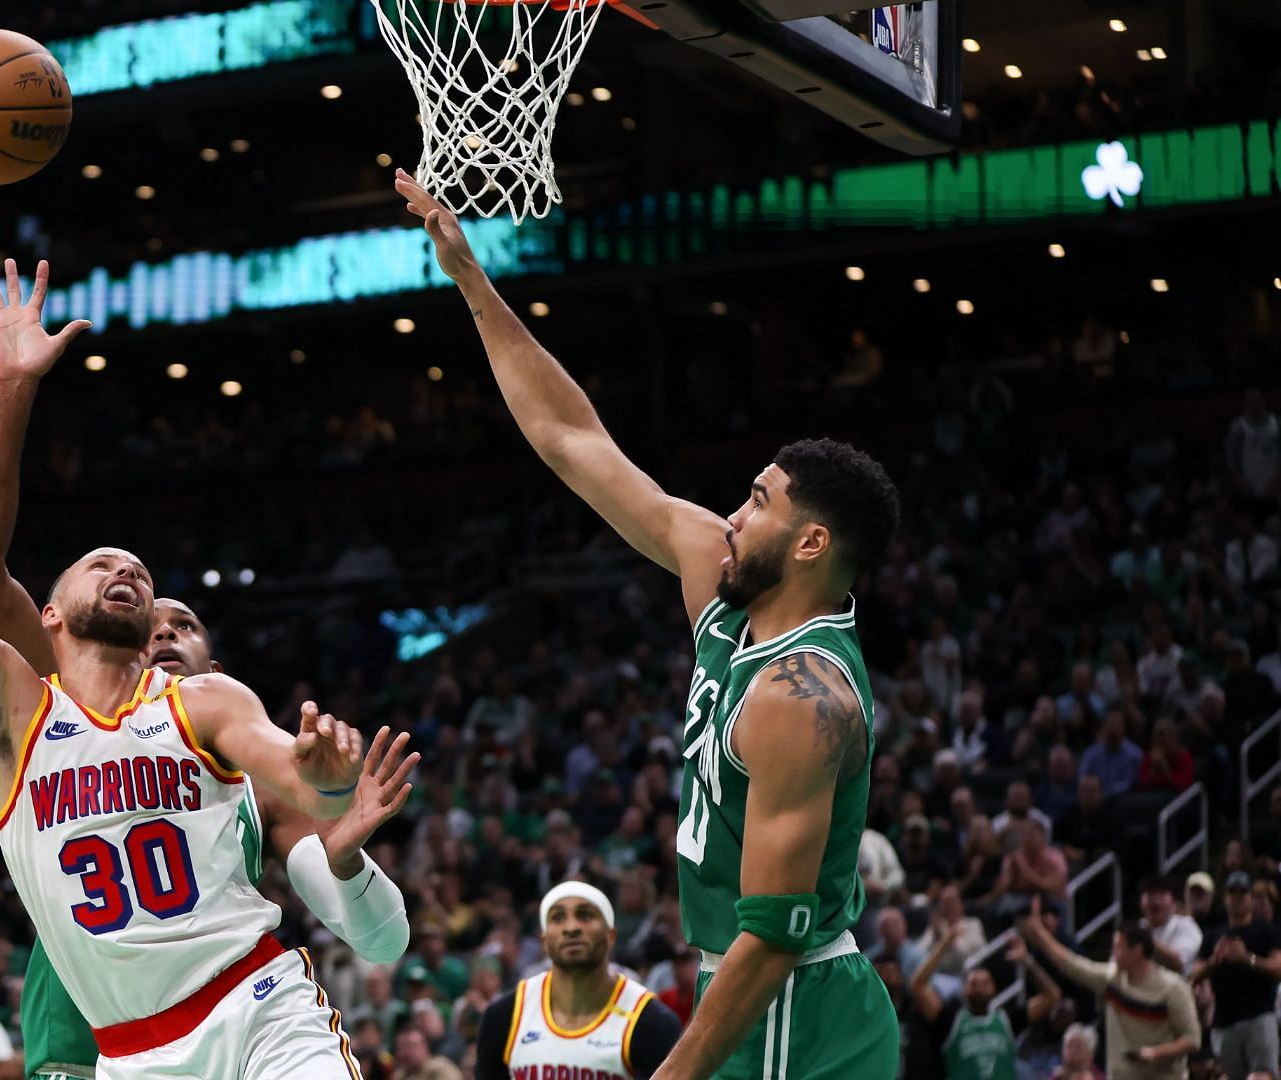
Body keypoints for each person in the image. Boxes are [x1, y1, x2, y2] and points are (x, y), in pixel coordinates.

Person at [395, 169, 900, 1080]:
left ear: (813, 542)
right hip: (745, 992)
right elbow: (574, 440)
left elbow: (775, 937)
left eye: (758, 501)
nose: (735, 516)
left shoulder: (804, 696)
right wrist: (471, 279)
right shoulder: (723, 596)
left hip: (799, 1013)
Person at [0, 253, 378, 1080]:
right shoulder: (17, 713)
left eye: (141, 572)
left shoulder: (206, 700)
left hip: (256, 1005)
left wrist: (327, 778)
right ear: (45, 616)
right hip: (127, 1052)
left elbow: (306, 785)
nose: (125, 571)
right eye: (99, 563)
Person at [473, 883, 681, 1079]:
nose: (571, 927)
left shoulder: (651, 1021)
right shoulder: (504, 1015)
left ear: (610, 936)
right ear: (544, 941)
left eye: (585, 915)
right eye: (557, 918)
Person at [1020, 904, 1201, 1078]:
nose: (1113, 953)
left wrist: (1155, 1053)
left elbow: (1193, 1040)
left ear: (1137, 950)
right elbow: (1070, 964)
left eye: (1119, 947)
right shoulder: (1111, 980)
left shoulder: (1173, 988)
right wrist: (1041, 936)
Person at [907, 925, 1061, 1080]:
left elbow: (1052, 995)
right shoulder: (950, 1021)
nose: (980, 987)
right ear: (964, 990)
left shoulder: (1007, 1019)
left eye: (985, 983)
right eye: (974, 983)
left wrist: (1027, 961)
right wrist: (944, 946)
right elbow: (917, 986)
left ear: (995, 989)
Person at [1191, 873, 1281, 1080]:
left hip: (1259, 1016)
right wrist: (1214, 961)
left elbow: (1278, 968)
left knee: (1261, 1075)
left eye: (1243, 892)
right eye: (1233, 892)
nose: (1238, 897)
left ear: (1251, 897)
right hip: (1224, 1021)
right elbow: (1194, 975)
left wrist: (1246, 958)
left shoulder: (1266, 930)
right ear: (1225, 898)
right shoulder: (1213, 935)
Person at [1139, 877, 1203, 973]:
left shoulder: (1186, 925)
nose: (1156, 902)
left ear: (1173, 903)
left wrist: (1147, 941)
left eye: (1161, 895)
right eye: (1150, 895)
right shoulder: (1138, 927)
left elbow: (1179, 963)